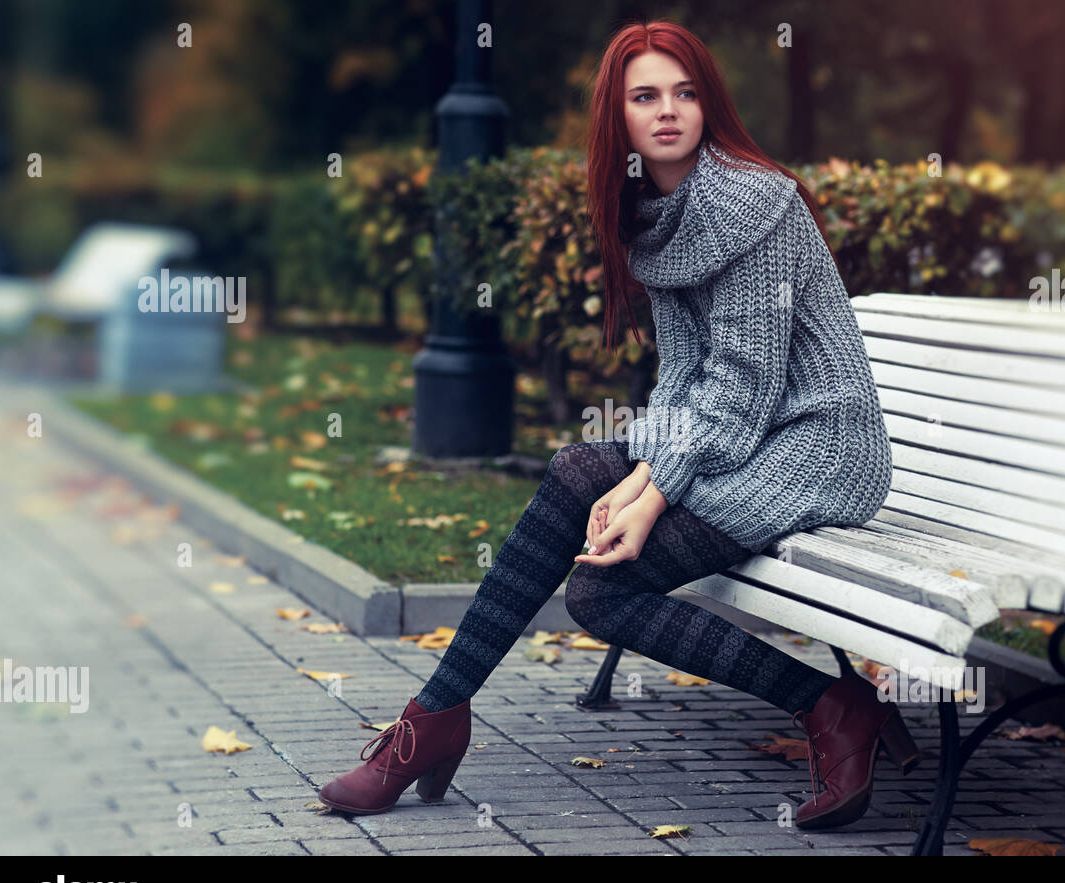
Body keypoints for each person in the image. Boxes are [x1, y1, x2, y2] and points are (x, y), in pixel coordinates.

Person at [318, 19, 916, 832]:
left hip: (814, 446)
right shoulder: (652, 212)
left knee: (599, 590)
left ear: (708, 103)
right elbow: (682, 377)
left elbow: (741, 386)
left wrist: (648, 498)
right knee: (575, 470)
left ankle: (832, 706)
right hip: (743, 437)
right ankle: (435, 715)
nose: (668, 110)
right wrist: (637, 478)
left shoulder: (752, 201)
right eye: (645, 96)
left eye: (685, 91)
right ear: (618, 118)